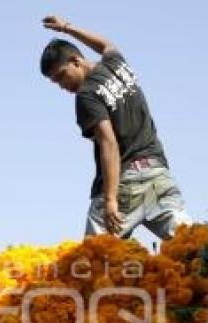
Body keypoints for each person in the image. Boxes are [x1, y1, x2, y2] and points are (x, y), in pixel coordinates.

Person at [40, 15, 191, 240]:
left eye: (62, 76)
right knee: (193, 246)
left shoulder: (87, 95)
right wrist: (67, 28)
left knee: (94, 262)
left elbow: (108, 143)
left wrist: (111, 200)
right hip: (158, 176)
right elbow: (106, 45)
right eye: (56, 82)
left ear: (76, 61)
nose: (62, 86)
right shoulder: (116, 65)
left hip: (125, 184)